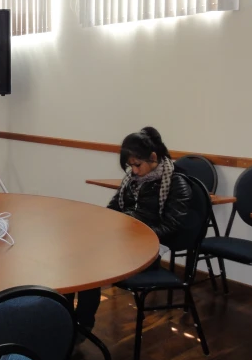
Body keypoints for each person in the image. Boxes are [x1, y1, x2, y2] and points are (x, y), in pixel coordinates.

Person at [74, 127, 198, 340]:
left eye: (137, 164)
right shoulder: (132, 181)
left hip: (148, 249)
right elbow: (113, 210)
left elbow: (171, 228)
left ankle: (82, 326)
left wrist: (132, 232)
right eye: (130, 166)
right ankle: (68, 320)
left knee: (89, 268)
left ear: (153, 157)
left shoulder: (177, 183)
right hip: (126, 241)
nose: (134, 171)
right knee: (75, 257)